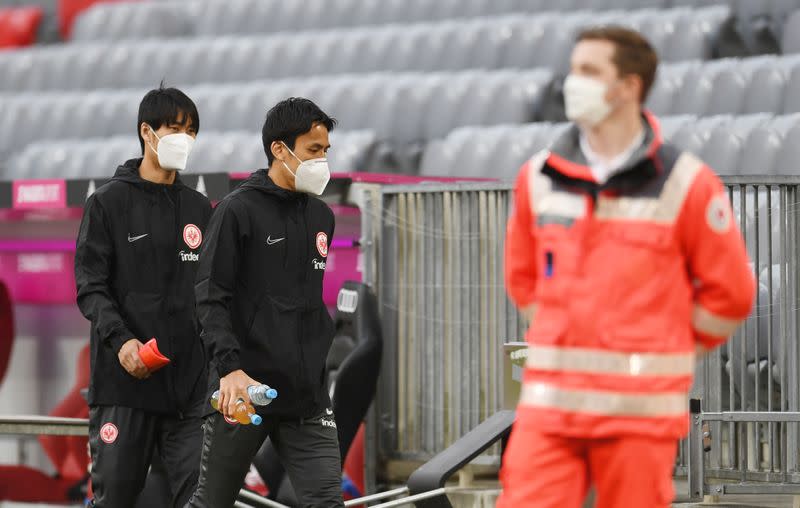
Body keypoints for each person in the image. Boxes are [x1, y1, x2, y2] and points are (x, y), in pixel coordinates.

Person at [498, 27, 755, 508]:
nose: (573, 83)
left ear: (629, 86)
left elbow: (731, 294)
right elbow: (523, 279)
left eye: (589, 71)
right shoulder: (537, 177)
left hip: (638, 412)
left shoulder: (686, 184)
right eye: (574, 69)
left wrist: (670, 342)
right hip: (551, 409)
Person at [188, 97, 343, 508]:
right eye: (313, 150)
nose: (322, 160)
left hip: (306, 396)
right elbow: (209, 296)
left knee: (327, 501)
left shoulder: (322, 217)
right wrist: (229, 369)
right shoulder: (237, 210)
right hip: (244, 387)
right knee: (213, 502)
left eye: (326, 151)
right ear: (279, 149)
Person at [74, 86, 212, 507]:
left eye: (191, 130)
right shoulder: (106, 203)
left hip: (189, 393)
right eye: (175, 128)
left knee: (202, 499)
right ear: (147, 133)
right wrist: (123, 342)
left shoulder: (201, 209)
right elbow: (90, 288)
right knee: (115, 498)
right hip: (124, 389)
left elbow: (214, 294)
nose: (184, 139)